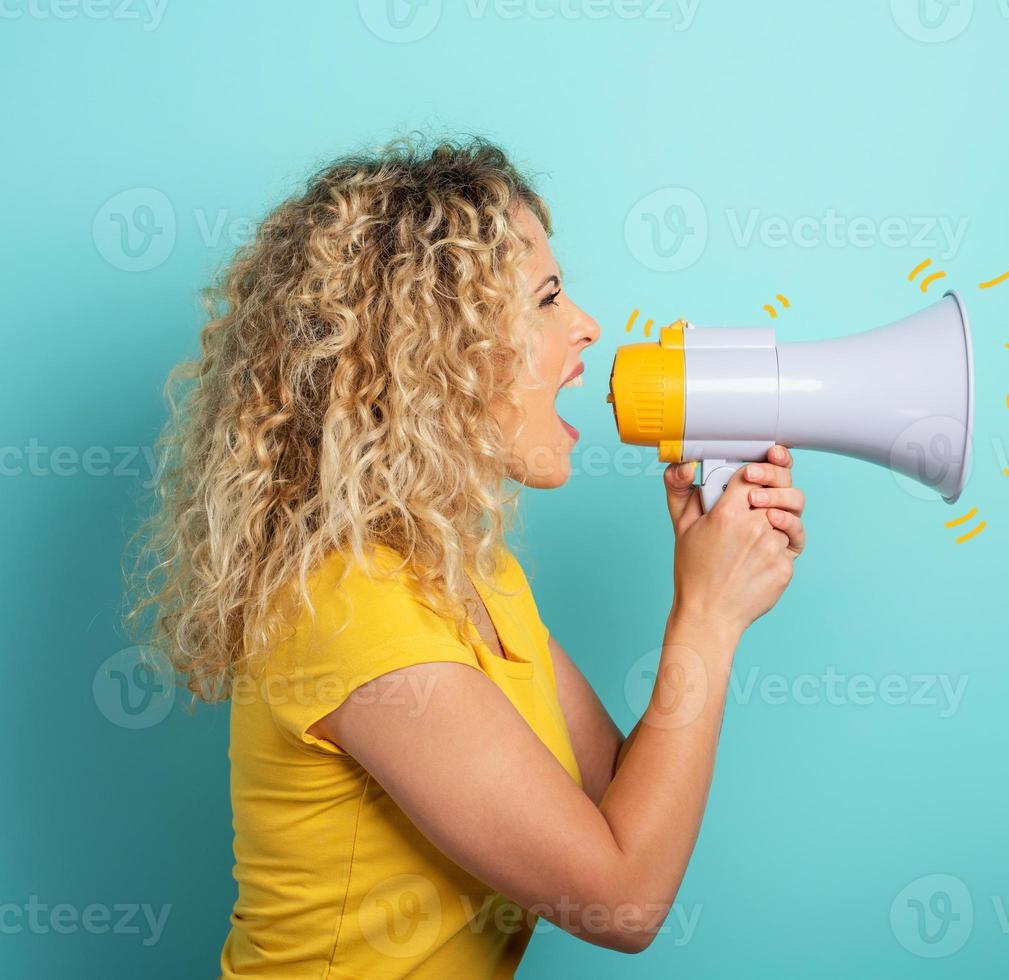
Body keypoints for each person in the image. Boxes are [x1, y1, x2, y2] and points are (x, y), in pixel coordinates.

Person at [127, 138, 803, 976]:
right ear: (432, 353)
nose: (586, 324)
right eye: (547, 298)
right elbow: (621, 900)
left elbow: (621, 804)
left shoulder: (470, 575)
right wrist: (706, 619)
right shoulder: (352, 611)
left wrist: (711, 581)